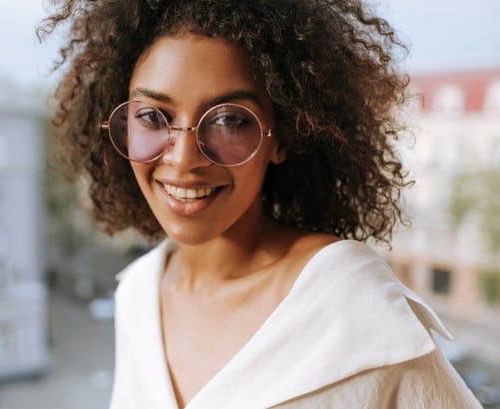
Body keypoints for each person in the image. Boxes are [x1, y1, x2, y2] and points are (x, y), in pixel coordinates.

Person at [39, 0, 482, 407]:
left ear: (282, 138)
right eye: (152, 116)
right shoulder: (137, 293)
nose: (183, 157)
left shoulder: (351, 302)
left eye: (229, 120)